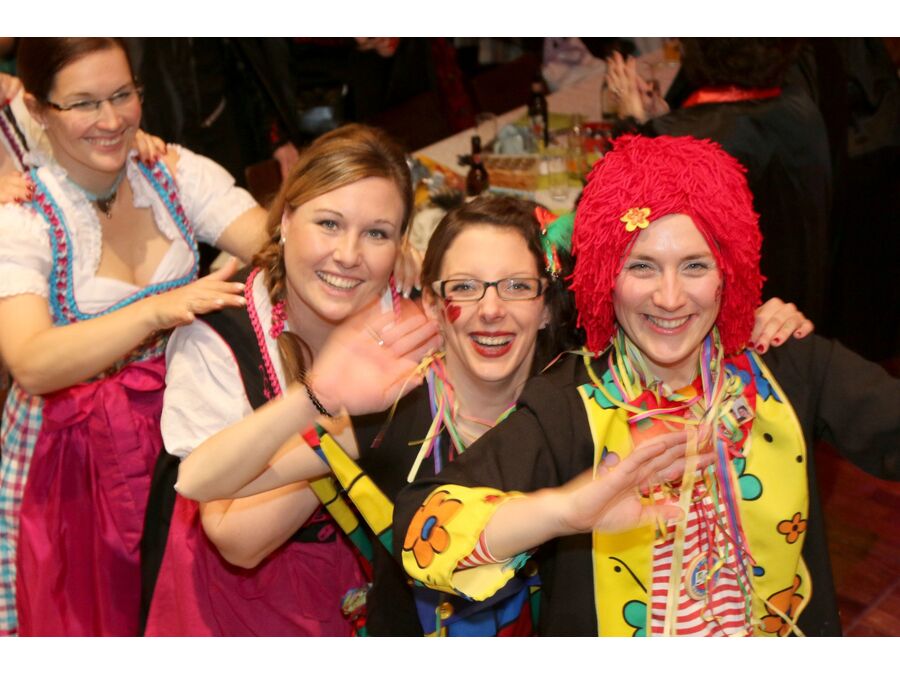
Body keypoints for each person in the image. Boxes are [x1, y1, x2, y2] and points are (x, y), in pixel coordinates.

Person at [173, 194, 813, 636]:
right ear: (433, 303)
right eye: (464, 287)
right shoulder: (392, 410)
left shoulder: (586, 397)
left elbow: (668, 311)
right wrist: (314, 396)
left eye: (515, 287)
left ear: (545, 304)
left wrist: (748, 325)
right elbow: (199, 481)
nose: (490, 310)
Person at [393, 134, 900, 637]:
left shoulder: (786, 363)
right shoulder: (568, 406)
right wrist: (563, 511)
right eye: (642, 266)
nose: (670, 298)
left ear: (727, 272)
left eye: (695, 265)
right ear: (606, 277)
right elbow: (422, 529)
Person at [0, 37, 270, 637]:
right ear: (39, 110)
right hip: (80, 465)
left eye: (122, 95)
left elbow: (276, 246)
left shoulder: (169, 171)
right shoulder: (22, 217)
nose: (112, 119)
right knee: (112, 619)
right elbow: (32, 362)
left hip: (192, 426)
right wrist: (157, 311)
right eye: (84, 103)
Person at [142, 123, 434, 636]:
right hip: (250, 605)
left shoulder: (408, 313)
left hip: (388, 580)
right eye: (329, 223)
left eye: (377, 233)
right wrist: (354, 427)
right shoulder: (220, 333)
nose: (349, 254)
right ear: (284, 220)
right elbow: (238, 540)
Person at [605, 39, 832, 327]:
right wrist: (662, 123)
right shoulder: (800, 107)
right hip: (796, 306)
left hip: (727, 320)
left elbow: (619, 219)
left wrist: (631, 128)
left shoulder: (696, 136)